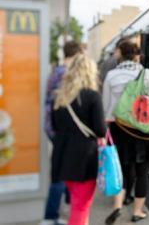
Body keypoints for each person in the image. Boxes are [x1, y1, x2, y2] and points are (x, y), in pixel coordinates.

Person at [102, 40, 149, 224]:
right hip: (141, 129)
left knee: (122, 167)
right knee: (142, 171)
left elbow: (106, 106)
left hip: (119, 128)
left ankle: (119, 204)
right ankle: (137, 212)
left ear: (121, 54)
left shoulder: (111, 75)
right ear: (136, 55)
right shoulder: (145, 73)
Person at [51, 54, 107, 225]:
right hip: (84, 157)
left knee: (77, 203)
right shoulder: (92, 96)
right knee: (80, 206)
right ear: (90, 72)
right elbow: (100, 130)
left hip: (63, 154)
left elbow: (55, 126)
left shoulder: (60, 96)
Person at [42, 41, 83, 225]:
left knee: (61, 172)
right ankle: (52, 216)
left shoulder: (55, 73)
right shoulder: (67, 75)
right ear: (75, 55)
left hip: (52, 128)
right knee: (62, 175)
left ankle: (59, 211)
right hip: (63, 132)